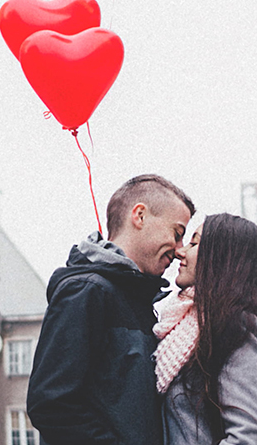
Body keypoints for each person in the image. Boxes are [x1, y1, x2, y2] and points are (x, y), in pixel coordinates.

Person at [27, 174, 195, 445]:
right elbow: (51, 404)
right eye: (177, 234)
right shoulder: (87, 291)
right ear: (139, 216)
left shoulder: (136, 300)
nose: (179, 250)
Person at [153, 213, 257, 445]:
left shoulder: (238, 329)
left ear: (221, 259)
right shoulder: (185, 328)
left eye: (194, 243)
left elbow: (250, 435)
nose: (180, 252)